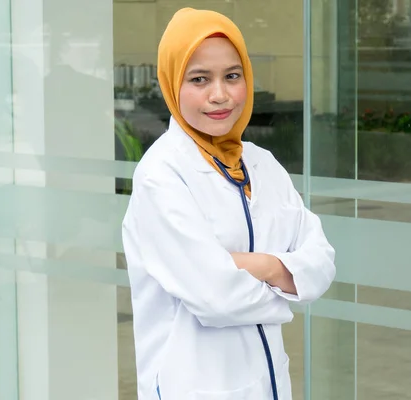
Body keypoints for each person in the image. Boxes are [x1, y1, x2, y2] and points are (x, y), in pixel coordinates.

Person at [121, 7, 336, 400]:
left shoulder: (262, 164)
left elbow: (321, 262)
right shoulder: (162, 175)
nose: (219, 95)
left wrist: (252, 264)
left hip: (268, 383)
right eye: (199, 79)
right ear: (171, 83)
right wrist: (284, 277)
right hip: (192, 387)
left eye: (232, 76)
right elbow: (215, 297)